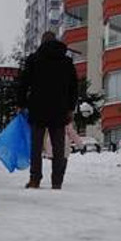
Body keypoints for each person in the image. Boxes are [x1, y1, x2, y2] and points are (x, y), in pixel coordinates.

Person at [16, 31, 78, 190]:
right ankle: (57, 181)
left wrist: (21, 103)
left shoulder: (34, 59)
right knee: (58, 147)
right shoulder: (66, 61)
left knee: (36, 146)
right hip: (60, 109)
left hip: (38, 108)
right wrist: (71, 108)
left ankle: (35, 179)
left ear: (42, 42)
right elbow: (73, 87)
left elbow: (24, 83)